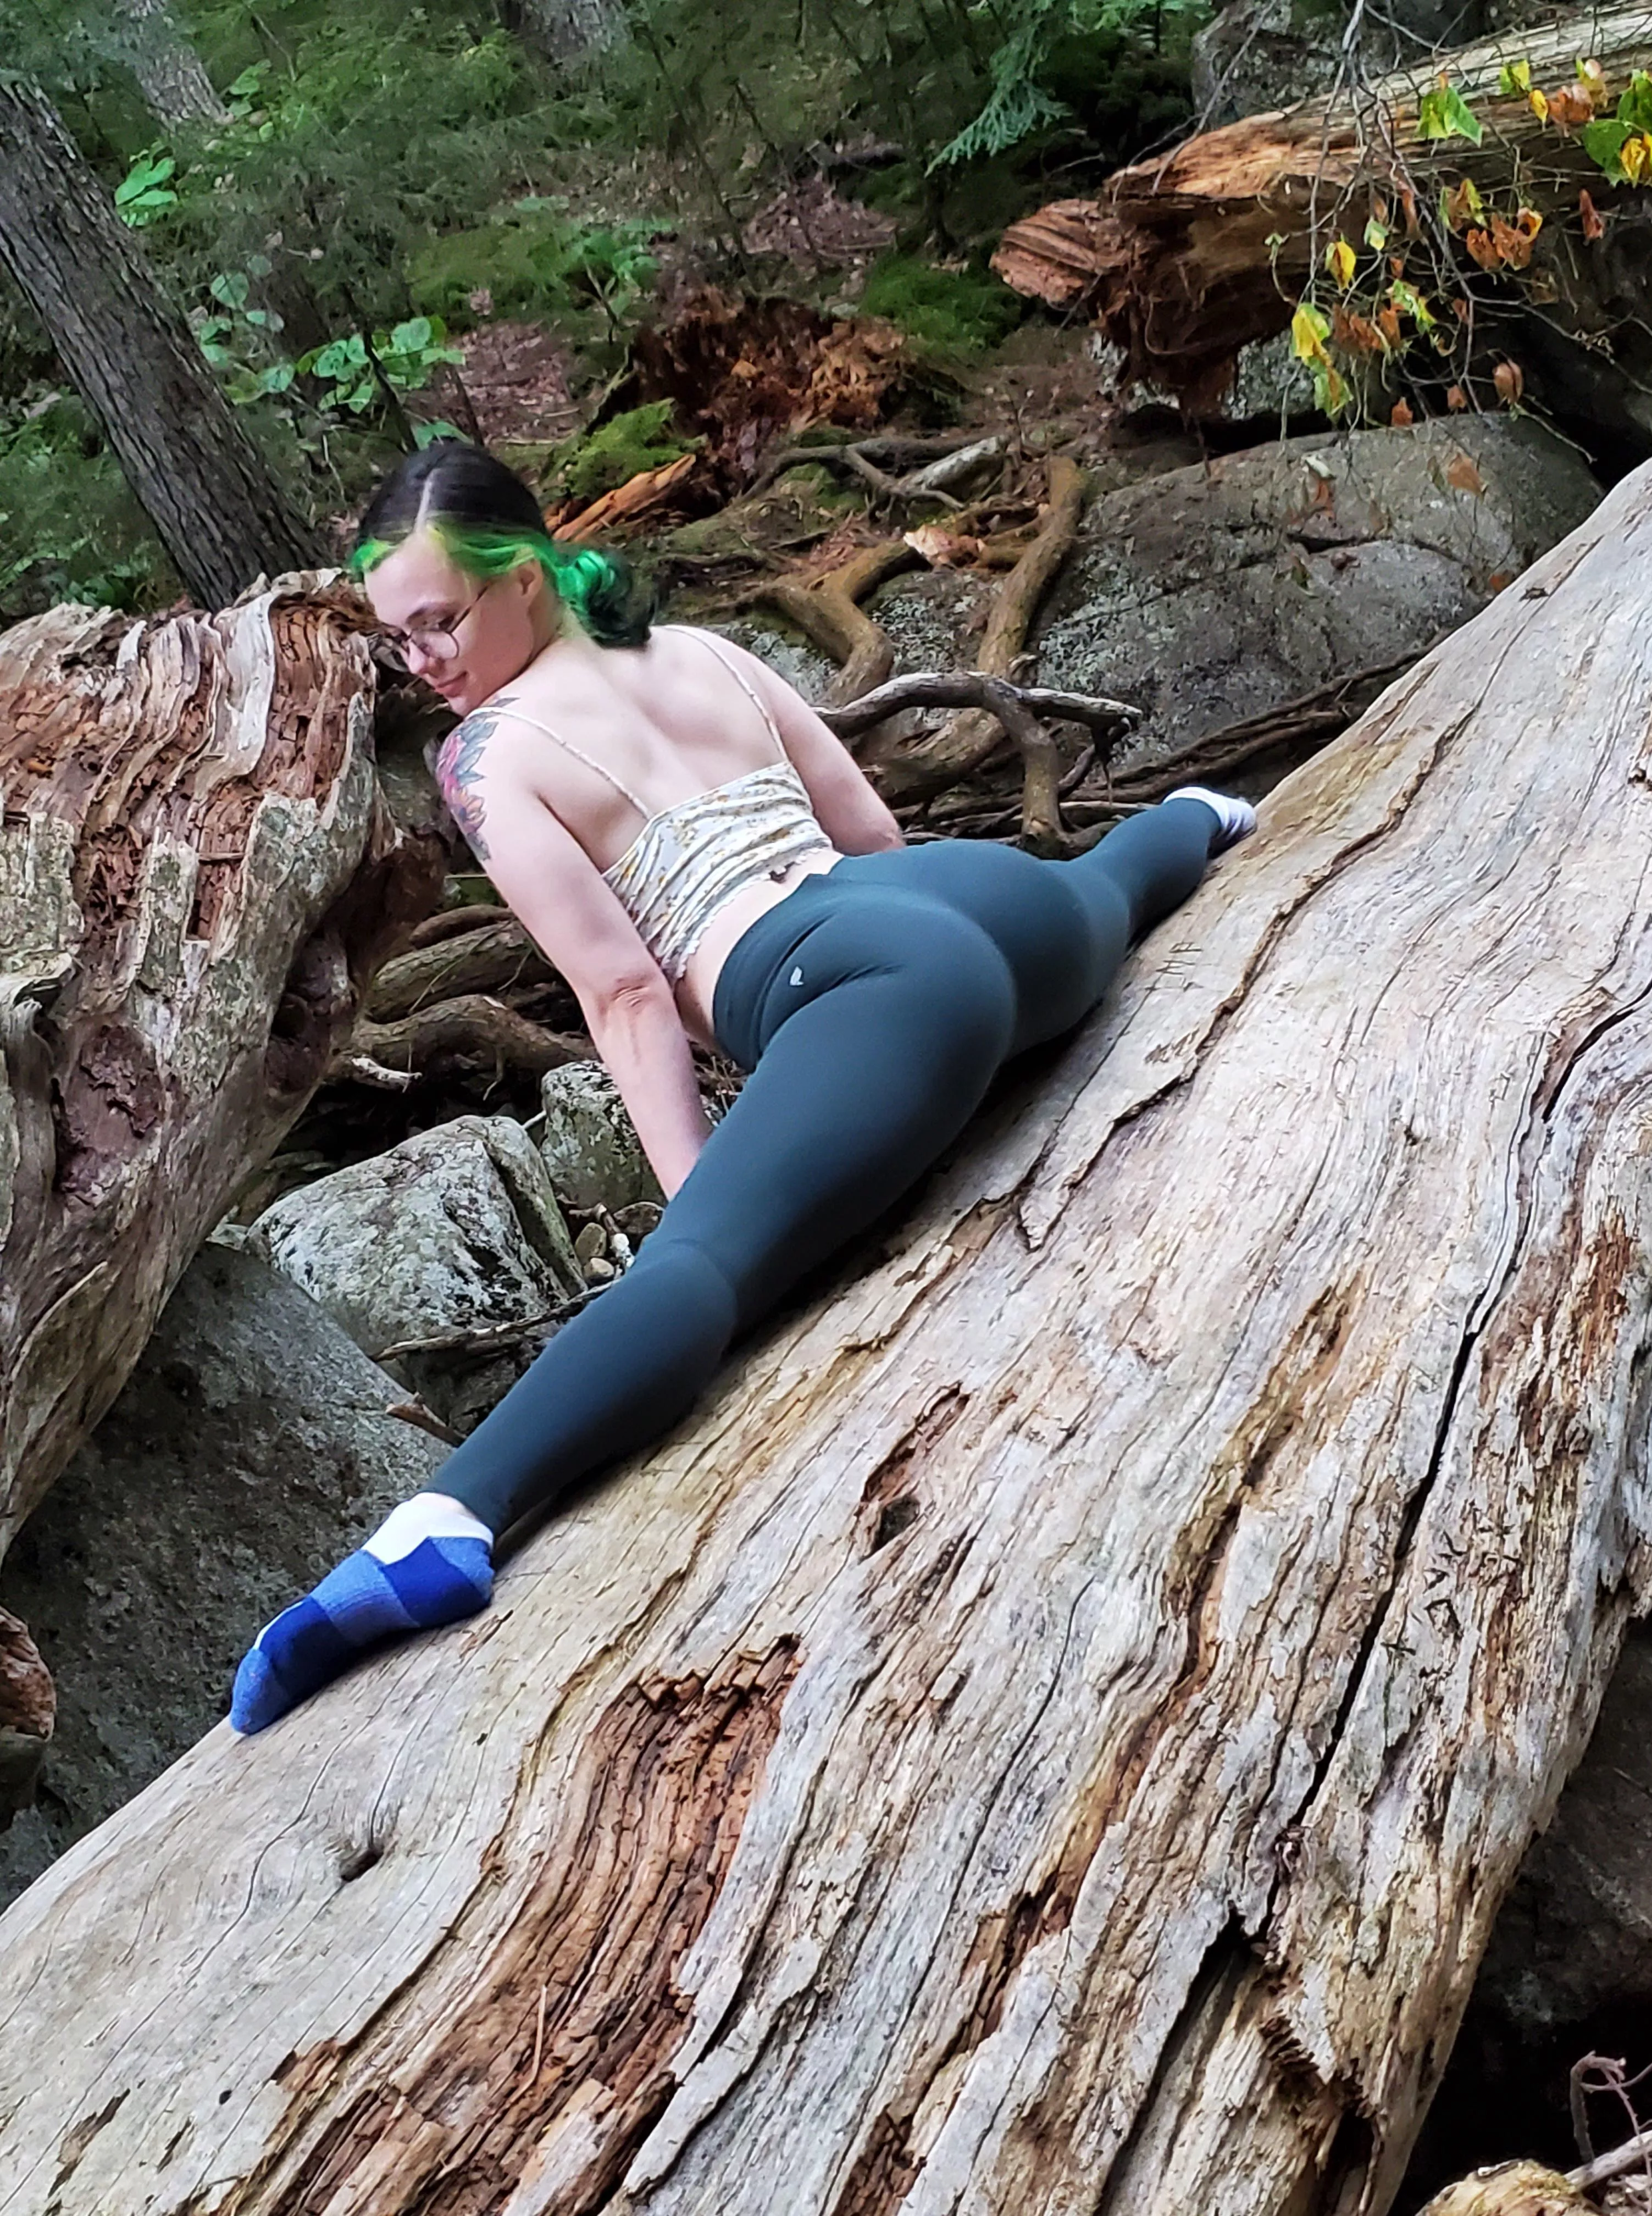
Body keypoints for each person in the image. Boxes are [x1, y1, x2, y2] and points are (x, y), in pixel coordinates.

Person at [229, 441, 1256, 1734]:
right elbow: (870, 835)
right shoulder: (704, 648)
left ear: (529, 578)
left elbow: (625, 996)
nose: (426, 661)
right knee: (1101, 890)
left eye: (442, 621)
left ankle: (449, 1521)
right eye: (403, 640)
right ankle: (1202, 819)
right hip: (964, 899)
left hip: (859, 972)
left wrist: (698, 1212)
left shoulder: (487, 759)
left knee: (701, 1272)